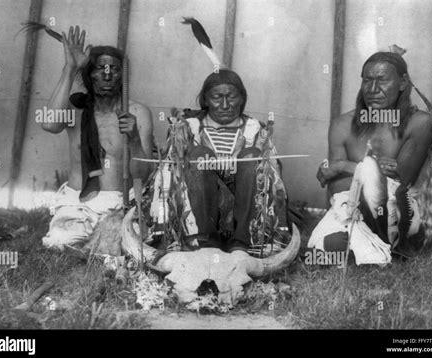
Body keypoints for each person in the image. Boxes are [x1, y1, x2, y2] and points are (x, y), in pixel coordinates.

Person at [310, 51, 432, 263]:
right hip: (350, 209)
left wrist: (344, 166)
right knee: (329, 247)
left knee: (384, 199)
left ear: (402, 83)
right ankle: (379, 248)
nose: (372, 90)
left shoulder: (420, 123)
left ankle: (389, 243)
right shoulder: (342, 124)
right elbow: (336, 188)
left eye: (382, 81)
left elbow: (401, 181)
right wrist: (370, 169)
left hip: (399, 213)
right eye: (367, 81)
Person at [41, 26, 154, 251]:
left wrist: (133, 140)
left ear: (124, 75)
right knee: (61, 239)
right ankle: (97, 241)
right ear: (88, 74)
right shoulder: (76, 108)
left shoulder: (137, 113)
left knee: (134, 243)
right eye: (100, 68)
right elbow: (50, 124)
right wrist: (70, 67)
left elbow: (143, 174)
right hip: (78, 203)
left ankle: (104, 238)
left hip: (120, 201)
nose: (107, 74)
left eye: (114, 68)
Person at [158, 69, 289, 254]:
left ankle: (244, 243)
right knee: (199, 156)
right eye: (217, 97)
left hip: (245, 212)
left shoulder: (255, 130)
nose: (225, 105)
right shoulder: (188, 129)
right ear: (205, 100)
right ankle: (205, 242)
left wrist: (241, 165)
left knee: (253, 156)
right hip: (197, 213)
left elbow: (274, 180)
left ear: (242, 99)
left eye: (232, 97)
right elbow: (169, 174)